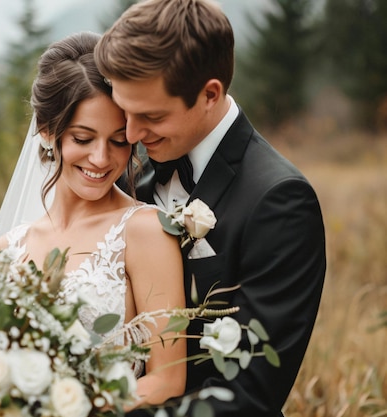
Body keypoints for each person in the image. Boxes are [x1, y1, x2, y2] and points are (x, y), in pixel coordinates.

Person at [94, 0, 327, 416]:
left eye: (149, 115)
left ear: (210, 94)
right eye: (124, 112)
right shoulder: (135, 180)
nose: (130, 134)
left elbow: (248, 394)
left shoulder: (280, 202)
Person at [0, 32, 186, 409]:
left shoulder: (145, 231)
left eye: (118, 141)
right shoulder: (6, 249)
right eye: (83, 138)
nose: (101, 158)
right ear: (49, 132)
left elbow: (167, 378)